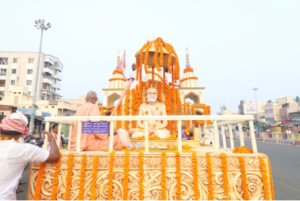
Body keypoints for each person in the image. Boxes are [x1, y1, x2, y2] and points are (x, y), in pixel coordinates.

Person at [0, 112, 59, 201]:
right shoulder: (24, 149)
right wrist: (51, 139)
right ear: (21, 134)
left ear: (1, 129)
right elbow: (54, 156)